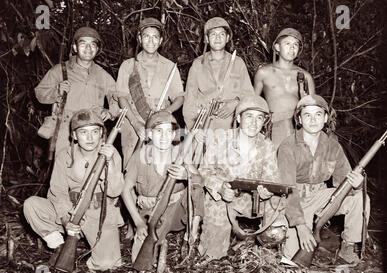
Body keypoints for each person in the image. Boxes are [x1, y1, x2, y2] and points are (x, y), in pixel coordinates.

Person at [23, 109, 124, 271]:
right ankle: (60, 246)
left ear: (101, 134)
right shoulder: (65, 155)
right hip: (71, 210)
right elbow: (58, 192)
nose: (90, 138)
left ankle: (91, 247)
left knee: (107, 264)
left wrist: (110, 164)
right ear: (75, 136)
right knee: (31, 205)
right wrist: (66, 220)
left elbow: (115, 191)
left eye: (95, 132)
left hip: (99, 213)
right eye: (84, 132)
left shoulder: (111, 154)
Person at [277, 94, 370, 265]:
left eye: (318, 114)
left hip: (321, 199)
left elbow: (344, 182)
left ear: (326, 118)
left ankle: (348, 247)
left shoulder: (333, 146)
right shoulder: (287, 147)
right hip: (293, 202)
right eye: (307, 115)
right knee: (291, 261)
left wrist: (357, 186)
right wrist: (301, 226)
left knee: (359, 198)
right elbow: (287, 190)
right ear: (299, 119)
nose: (313, 120)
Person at [198, 95, 286, 261]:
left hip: (252, 201)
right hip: (222, 200)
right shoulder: (220, 139)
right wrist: (220, 187)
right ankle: (216, 250)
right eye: (249, 116)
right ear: (238, 118)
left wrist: (267, 193)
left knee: (277, 222)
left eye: (259, 118)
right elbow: (204, 171)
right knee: (211, 256)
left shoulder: (266, 146)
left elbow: (272, 179)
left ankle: (266, 253)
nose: (254, 123)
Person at [121, 110, 202, 265]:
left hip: (177, 210)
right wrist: (138, 223)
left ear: (173, 135)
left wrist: (187, 175)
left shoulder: (180, 153)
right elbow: (125, 190)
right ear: (150, 135)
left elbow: (200, 180)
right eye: (159, 131)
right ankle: (156, 239)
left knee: (196, 186)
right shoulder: (139, 156)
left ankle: (192, 230)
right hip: (151, 210)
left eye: (168, 131)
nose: (164, 137)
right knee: (140, 261)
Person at [35, 27, 120, 152]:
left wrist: (111, 112)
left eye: (92, 44)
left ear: (97, 49)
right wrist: (57, 91)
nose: (88, 48)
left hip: (93, 131)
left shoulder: (103, 75)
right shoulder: (60, 70)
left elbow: (118, 97)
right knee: (64, 167)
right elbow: (39, 93)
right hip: (66, 129)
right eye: (83, 44)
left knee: (91, 169)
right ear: (75, 47)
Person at [116, 17, 184, 167]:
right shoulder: (128, 66)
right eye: (146, 36)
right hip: (134, 125)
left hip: (161, 127)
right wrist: (136, 124)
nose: (151, 41)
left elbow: (179, 97)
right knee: (131, 169)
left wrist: (166, 111)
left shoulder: (170, 67)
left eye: (155, 37)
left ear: (160, 41)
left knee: (159, 168)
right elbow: (122, 97)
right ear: (139, 39)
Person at [183, 17, 254, 132]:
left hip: (232, 126)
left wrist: (235, 102)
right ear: (206, 39)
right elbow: (189, 100)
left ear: (227, 38)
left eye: (221, 34)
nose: (217, 38)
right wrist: (194, 130)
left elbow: (249, 94)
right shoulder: (198, 64)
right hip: (203, 125)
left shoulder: (238, 63)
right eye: (213, 34)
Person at [254, 28, 315, 148]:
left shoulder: (305, 76)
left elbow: (314, 107)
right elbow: (253, 103)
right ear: (277, 47)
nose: (292, 48)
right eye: (287, 43)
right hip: (275, 127)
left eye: (295, 45)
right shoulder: (264, 73)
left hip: (298, 126)